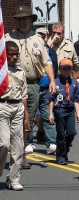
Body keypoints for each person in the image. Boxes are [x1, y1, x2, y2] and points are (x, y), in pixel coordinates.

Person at [5, 5, 56, 169]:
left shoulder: (38, 39)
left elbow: (46, 62)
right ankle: (11, 150)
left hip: (33, 84)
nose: (22, 21)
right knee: (10, 119)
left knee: (27, 121)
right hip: (11, 84)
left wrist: (53, 81)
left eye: (24, 18)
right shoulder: (7, 38)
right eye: (19, 19)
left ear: (30, 20)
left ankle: (20, 155)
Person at [0, 41, 30, 191]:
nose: (14, 57)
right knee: (3, 144)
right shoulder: (1, 71)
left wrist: (26, 116)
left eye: (16, 54)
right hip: (2, 106)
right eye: (11, 54)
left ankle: (13, 179)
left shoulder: (21, 71)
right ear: (5, 54)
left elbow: (24, 95)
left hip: (17, 107)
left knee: (18, 146)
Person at [47, 59, 79, 165]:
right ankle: (61, 156)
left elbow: (76, 100)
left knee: (72, 132)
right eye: (64, 68)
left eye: (69, 69)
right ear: (59, 69)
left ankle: (64, 149)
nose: (67, 71)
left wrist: (78, 114)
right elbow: (51, 99)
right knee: (61, 134)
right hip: (60, 110)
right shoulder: (55, 82)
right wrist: (50, 113)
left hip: (70, 110)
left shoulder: (74, 83)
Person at [31, 27, 58, 155]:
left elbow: (54, 69)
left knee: (48, 116)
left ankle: (51, 143)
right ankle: (28, 142)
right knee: (30, 117)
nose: (42, 37)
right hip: (34, 87)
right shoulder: (31, 49)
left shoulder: (51, 51)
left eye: (45, 35)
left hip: (47, 89)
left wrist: (55, 83)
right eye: (40, 35)